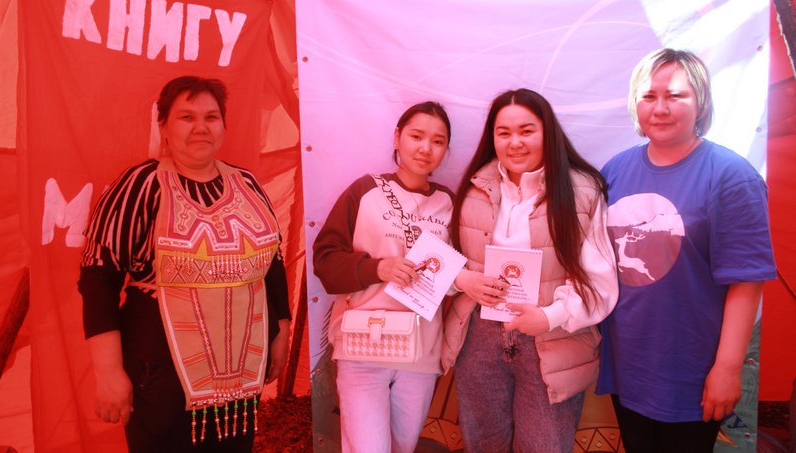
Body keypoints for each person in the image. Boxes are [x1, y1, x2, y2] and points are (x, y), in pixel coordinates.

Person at [78, 76, 292, 452]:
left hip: (241, 377)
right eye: (186, 117)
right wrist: (108, 372)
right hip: (159, 374)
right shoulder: (141, 185)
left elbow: (272, 262)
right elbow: (99, 277)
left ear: (223, 125)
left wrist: (281, 334)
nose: (200, 127)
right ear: (163, 126)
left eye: (211, 117)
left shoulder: (246, 183)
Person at [595, 48, 776, 452]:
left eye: (675, 96)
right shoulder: (615, 170)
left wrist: (727, 367)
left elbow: (747, 282)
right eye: (648, 96)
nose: (660, 108)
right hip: (628, 365)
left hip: (692, 370)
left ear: (701, 102)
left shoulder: (731, 176)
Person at [442, 88, 619, 452]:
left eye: (527, 131)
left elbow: (599, 282)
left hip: (551, 338)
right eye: (503, 133)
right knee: (484, 445)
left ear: (547, 132)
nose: (515, 143)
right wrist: (462, 279)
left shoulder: (582, 191)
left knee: (544, 445)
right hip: (479, 336)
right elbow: (436, 258)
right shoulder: (473, 187)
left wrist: (549, 316)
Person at [312, 101, 454, 453]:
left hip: (421, 352)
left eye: (437, 141)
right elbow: (325, 262)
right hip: (364, 347)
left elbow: (460, 275)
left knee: (402, 447)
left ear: (446, 150)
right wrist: (378, 268)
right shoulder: (365, 191)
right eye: (416, 136)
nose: (425, 148)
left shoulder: (451, 203)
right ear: (397, 138)